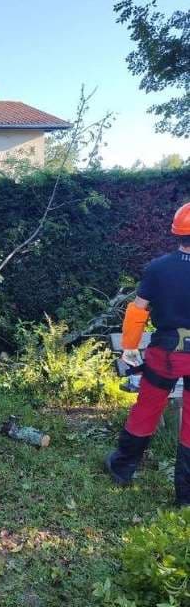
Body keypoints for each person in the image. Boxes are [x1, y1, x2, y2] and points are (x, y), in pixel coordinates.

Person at [105, 202, 190, 506]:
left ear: (176, 232)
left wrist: (129, 349)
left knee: (147, 408)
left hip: (165, 352)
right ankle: (186, 498)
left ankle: (122, 468)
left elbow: (137, 311)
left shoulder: (157, 268)